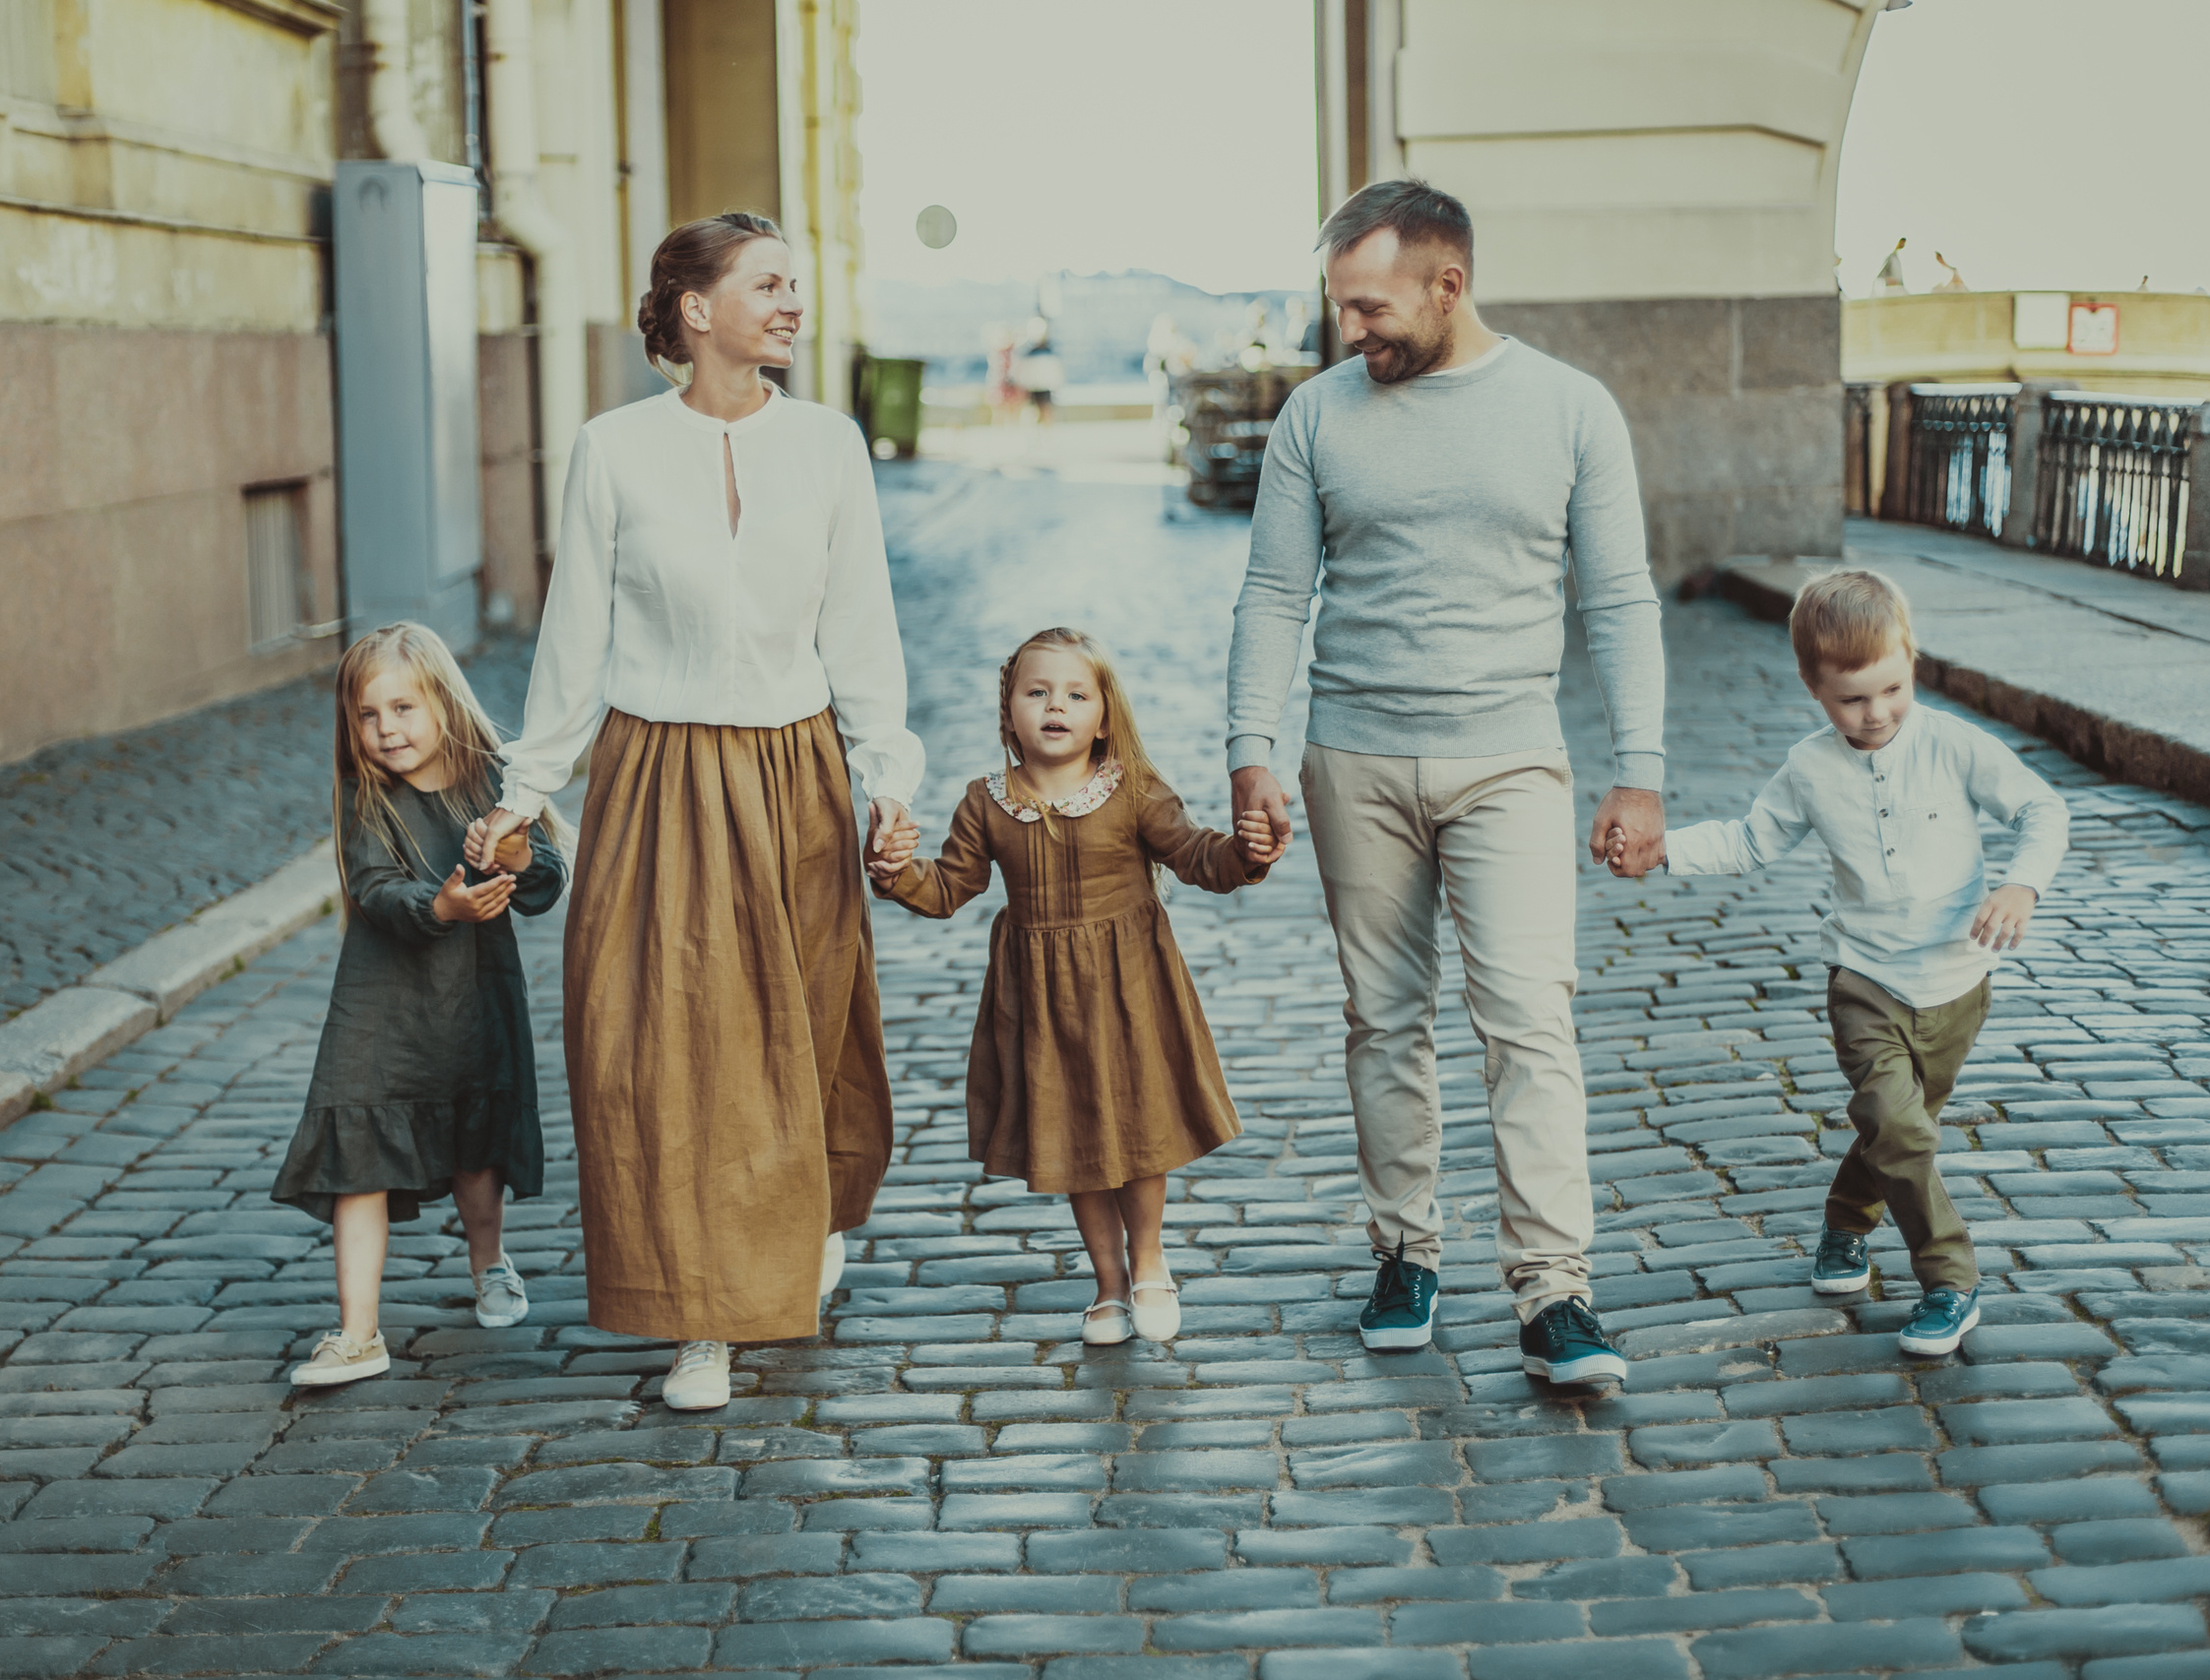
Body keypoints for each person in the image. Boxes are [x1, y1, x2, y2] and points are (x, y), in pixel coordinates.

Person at [462, 213, 922, 1412]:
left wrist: (888, 778)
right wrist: (524, 797)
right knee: (669, 1048)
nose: (790, 305)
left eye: (792, 286)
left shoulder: (828, 446)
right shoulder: (612, 450)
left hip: (797, 772)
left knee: (808, 1025)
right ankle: (703, 1312)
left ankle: (805, 1227)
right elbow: (574, 645)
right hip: (657, 774)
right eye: (766, 285)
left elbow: (861, 625)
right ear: (695, 307)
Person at [1227, 179, 1666, 1385]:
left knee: (1530, 1018)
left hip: (1510, 759)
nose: (1350, 332)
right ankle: (1405, 1252)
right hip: (1352, 760)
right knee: (1384, 1019)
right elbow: (1274, 594)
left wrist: (1640, 772)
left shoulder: (1570, 410)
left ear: (1447, 285)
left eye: (1369, 308)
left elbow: (1619, 598)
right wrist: (1249, 751)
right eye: (1339, 308)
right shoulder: (1314, 418)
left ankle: (1553, 1292)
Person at [1612, 570, 2068, 1357]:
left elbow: (2042, 808)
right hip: (1865, 982)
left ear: (1910, 659)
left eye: (1891, 687)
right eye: (1852, 699)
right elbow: (1750, 841)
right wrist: (1663, 851)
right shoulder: (1810, 768)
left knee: (1899, 1128)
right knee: (1898, 1124)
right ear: (1813, 689)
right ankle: (1950, 1280)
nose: (1877, 712)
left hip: (1959, 984)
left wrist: (2021, 883)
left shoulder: (1953, 745)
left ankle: (1844, 1222)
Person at [868, 628, 1284, 1344]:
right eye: (1036, 693)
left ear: (1103, 715)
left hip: (1132, 992)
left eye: (1074, 694)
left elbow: (1195, 855)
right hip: (1042, 1003)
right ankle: (1109, 1283)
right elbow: (947, 887)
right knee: (1077, 1140)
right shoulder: (987, 802)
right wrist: (896, 870)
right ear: (1009, 715)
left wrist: (1246, 851)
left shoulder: (1132, 791)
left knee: (1141, 1129)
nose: (1054, 706)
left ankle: (1149, 1260)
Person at [276, 623, 568, 1387]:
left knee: (475, 1145)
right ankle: (358, 1332)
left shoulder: (494, 783)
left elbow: (542, 885)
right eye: (369, 716)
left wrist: (514, 855)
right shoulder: (364, 794)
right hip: (379, 1007)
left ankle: (489, 1261)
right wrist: (439, 908)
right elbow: (373, 888)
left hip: (473, 998)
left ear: (443, 703)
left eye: (403, 708)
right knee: (358, 1151)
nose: (386, 729)